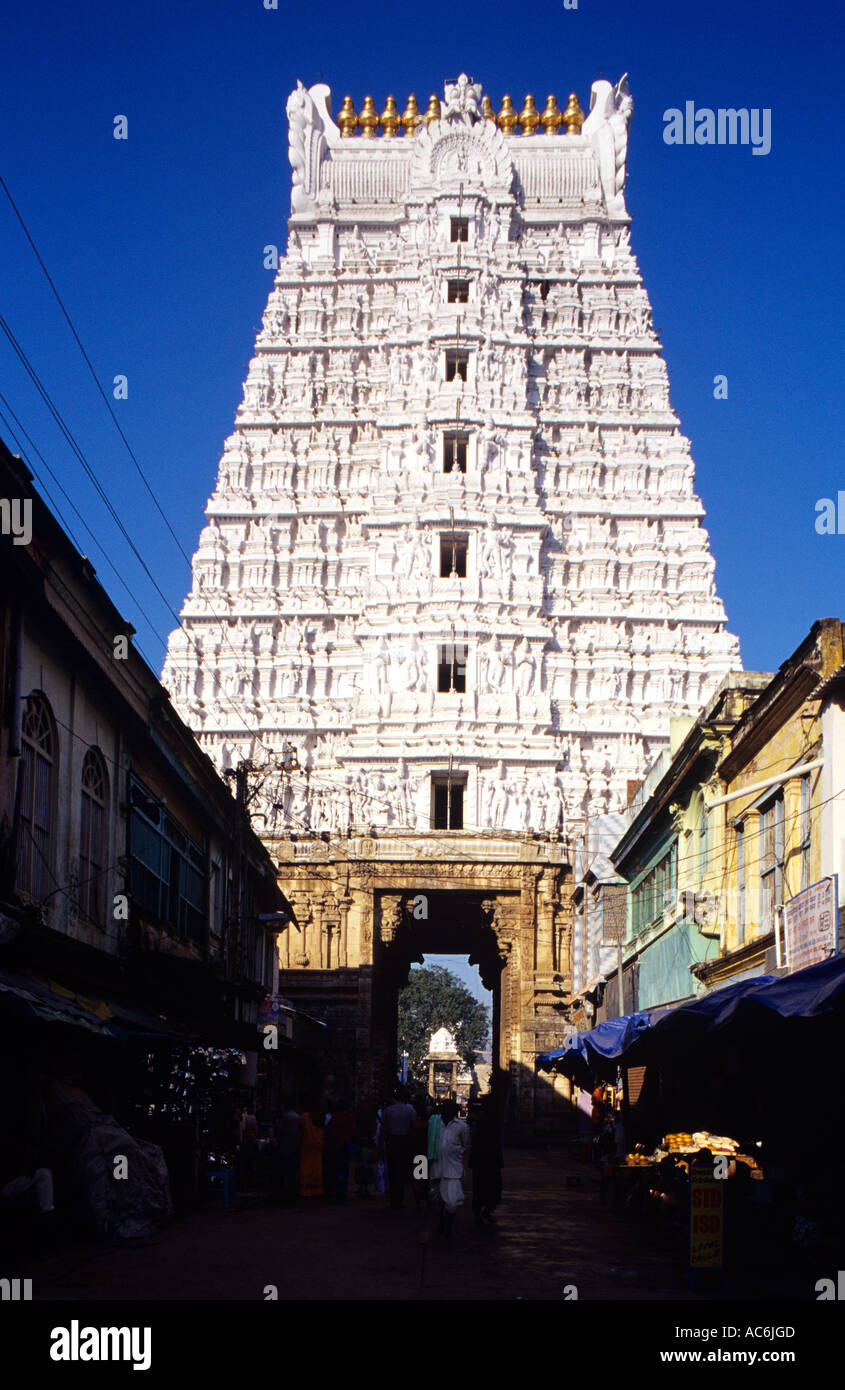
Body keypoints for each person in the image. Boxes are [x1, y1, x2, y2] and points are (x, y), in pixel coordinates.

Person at [431, 1099, 470, 1238]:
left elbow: (466, 1145)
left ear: (455, 1111)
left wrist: (456, 1153)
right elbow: (426, 1145)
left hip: (453, 1170)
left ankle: (448, 1227)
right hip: (435, 1169)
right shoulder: (434, 1123)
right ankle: (442, 1225)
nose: (447, 1111)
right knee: (437, 1202)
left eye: (450, 1108)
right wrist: (421, 1172)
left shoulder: (462, 1126)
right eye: (445, 1108)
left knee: (452, 1203)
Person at [380, 1086, 417, 1211]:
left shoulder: (388, 1110)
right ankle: (399, 1199)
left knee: (392, 1170)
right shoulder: (410, 1111)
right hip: (405, 1142)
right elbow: (414, 1127)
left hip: (392, 1141)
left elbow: (383, 1129)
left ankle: (393, 1199)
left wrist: (382, 1143)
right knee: (402, 1171)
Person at [469, 1095, 503, 1225]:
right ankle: (483, 1212)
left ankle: (482, 1212)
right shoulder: (488, 1120)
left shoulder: (480, 1120)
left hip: (484, 1160)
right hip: (488, 1160)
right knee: (488, 1188)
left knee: (481, 1188)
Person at [323, 1098, 356, 1199]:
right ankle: (341, 1190)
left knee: (334, 1168)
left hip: (334, 1146)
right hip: (344, 1146)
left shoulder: (333, 1117)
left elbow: (328, 1132)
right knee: (343, 1168)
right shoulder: (349, 1117)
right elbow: (352, 1131)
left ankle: (334, 1190)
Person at [274, 1094, 302, 1199]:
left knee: (281, 1171)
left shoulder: (286, 1117)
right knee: (291, 1172)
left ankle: (281, 1192)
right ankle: (291, 1192)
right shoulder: (297, 1117)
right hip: (294, 1147)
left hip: (284, 1147)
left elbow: (279, 1131)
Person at [299, 1105, 326, 1197]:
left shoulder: (304, 1117)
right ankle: (317, 1189)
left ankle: (306, 1190)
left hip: (307, 1145)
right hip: (318, 1145)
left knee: (307, 1167)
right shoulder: (322, 1116)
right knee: (317, 1167)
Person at [353, 1108, 378, 1198]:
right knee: (366, 1167)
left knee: (361, 1166)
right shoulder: (370, 1117)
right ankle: (365, 1188)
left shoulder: (359, 1116)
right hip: (366, 1143)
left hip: (362, 1143)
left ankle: (362, 1187)